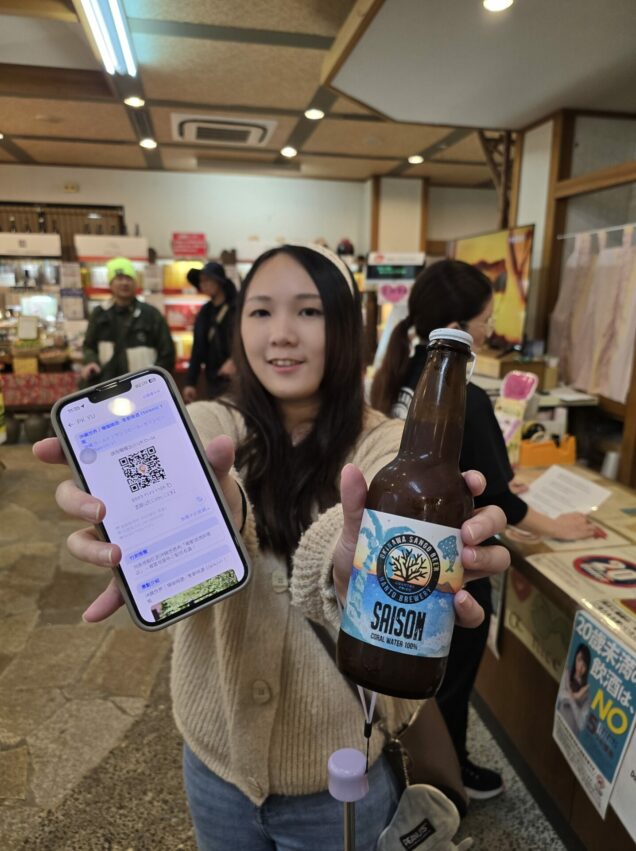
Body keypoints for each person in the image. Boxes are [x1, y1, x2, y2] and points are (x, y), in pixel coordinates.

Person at [34, 245, 510, 851]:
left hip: (344, 777)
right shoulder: (207, 421)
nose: (282, 334)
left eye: (308, 312)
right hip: (216, 767)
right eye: (261, 312)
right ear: (237, 326)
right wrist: (202, 509)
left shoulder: (391, 444)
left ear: (344, 326)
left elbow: (355, 524)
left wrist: (348, 563)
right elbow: (202, 459)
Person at [371, 259, 597, 801]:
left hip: (401, 557)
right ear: (459, 325)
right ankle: (450, 781)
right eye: (484, 319)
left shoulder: (404, 374)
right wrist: (559, 528)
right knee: (447, 682)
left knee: (408, 677)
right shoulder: (464, 396)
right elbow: (497, 497)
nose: (491, 329)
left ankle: (414, 773)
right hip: (452, 566)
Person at [81, 257, 175, 385]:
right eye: (119, 278)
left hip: (143, 388)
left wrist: (153, 380)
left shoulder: (151, 314)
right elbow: (89, 346)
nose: (124, 283)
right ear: (110, 283)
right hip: (108, 386)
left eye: (129, 278)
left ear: (135, 283)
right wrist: (91, 362)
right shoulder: (99, 314)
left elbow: (167, 353)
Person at [183, 262, 237, 403]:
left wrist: (236, 360)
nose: (203, 284)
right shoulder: (205, 312)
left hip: (238, 378)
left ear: (219, 281)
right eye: (201, 281)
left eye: (207, 280)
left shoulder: (237, 308)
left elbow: (250, 340)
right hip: (213, 379)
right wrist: (191, 382)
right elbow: (198, 348)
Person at [557, 643, 591, 736]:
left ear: (587, 668)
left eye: (584, 664)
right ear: (575, 658)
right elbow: (560, 696)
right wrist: (576, 696)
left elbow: (581, 725)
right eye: (579, 660)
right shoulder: (567, 674)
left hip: (571, 735)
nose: (580, 667)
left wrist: (573, 700)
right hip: (559, 726)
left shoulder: (586, 693)